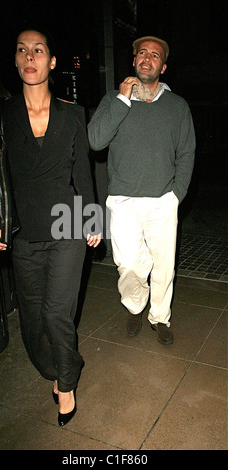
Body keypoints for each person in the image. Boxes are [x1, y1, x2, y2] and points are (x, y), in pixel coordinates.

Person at [0, 28, 100, 426]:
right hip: (24, 232)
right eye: (22, 50)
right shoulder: (1, 115)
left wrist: (92, 219)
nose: (29, 56)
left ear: (51, 61)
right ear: (15, 61)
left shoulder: (72, 114)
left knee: (56, 314)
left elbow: (83, 173)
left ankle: (66, 383)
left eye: (38, 50)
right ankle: (59, 366)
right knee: (33, 320)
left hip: (67, 225)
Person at [88, 36, 195, 345]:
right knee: (129, 264)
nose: (148, 58)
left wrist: (176, 195)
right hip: (123, 201)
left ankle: (160, 316)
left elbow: (187, 152)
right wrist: (122, 100)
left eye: (155, 55)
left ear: (163, 66)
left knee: (164, 265)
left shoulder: (177, 106)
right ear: (134, 60)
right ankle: (135, 305)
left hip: (163, 200)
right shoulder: (113, 100)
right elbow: (95, 141)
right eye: (142, 53)